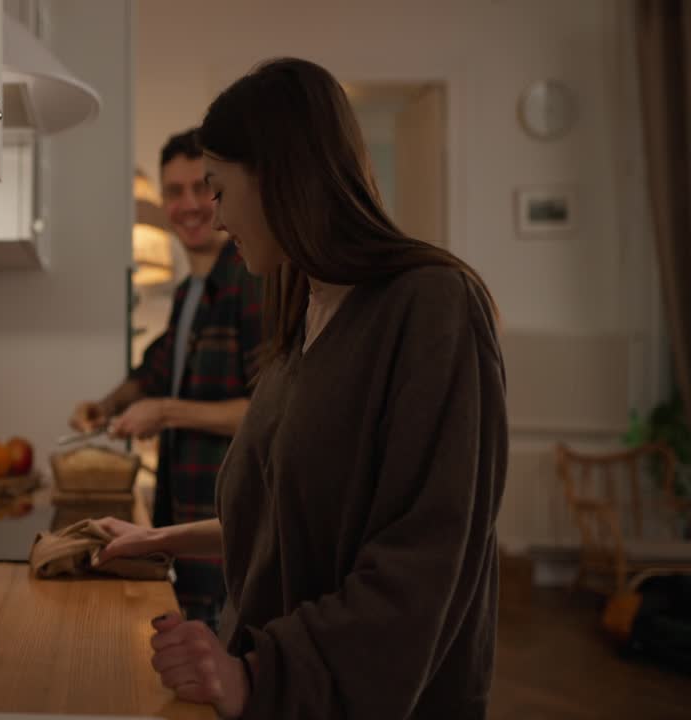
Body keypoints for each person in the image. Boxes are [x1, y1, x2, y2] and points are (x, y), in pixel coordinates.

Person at [98, 57, 507, 719]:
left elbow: (424, 560)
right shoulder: (303, 310)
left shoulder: (432, 305)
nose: (216, 216)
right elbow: (288, 520)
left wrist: (256, 676)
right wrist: (161, 540)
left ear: (276, 177)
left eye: (220, 188)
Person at [69, 129, 262, 631]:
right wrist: (105, 407)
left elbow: (265, 411)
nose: (189, 204)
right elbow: (154, 371)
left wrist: (166, 412)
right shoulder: (190, 292)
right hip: (184, 516)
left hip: (228, 526)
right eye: (173, 192)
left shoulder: (250, 278)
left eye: (202, 187)